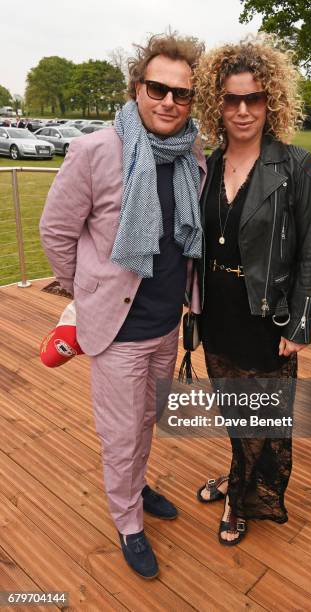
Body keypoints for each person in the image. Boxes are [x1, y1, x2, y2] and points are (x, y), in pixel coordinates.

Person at [40, 32, 206, 579]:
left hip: (165, 322)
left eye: (180, 94)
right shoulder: (95, 151)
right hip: (116, 329)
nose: (168, 102)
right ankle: (127, 520)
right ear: (137, 88)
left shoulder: (191, 153)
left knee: (147, 420)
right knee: (120, 430)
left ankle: (136, 486)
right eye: (157, 88)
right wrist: (83, 292)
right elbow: (57, 232)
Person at [193, 37, 311, 545]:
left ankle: (239, 497)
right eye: (231, 98)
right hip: (218, 311)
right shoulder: (204, 166)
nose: (243, 110)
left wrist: (301, 323)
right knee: (234, 409)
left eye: (254, 98)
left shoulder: (294, 165)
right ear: (216, 103)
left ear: (272, 102)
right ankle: (237, 474)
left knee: (261, 415)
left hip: (266, 315)